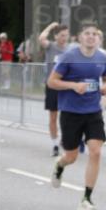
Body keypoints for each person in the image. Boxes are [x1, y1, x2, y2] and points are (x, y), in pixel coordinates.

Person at [48, 20, 106, 210]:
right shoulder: (69, 56)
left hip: (93, 111)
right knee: (71, 156)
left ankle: (86, 199)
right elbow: (52, 82)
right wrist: (74, 86)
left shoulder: (102, 57)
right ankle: (60, 164)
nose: (91, 36)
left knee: (96, 152)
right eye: (87, 33)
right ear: (79, 37)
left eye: (94, 33)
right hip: (71, 112)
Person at [39, 21, 70, 155]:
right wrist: (51, 26)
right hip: (52, 86)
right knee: (53, 116)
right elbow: (41, 38)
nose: (64, 38)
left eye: (66, 35)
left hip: (66, 87)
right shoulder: (50, 46)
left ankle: (65, 140)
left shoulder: (70, 50)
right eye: (62, 35)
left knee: (67, 116)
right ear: (56, 36)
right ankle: (55, 145)